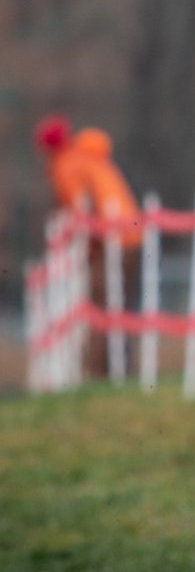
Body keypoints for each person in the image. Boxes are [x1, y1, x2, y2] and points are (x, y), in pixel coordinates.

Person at [33, 115, 142, 378]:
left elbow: (80, 209)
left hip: (112, 239)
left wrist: (87, 248)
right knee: (121, 305)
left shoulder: (66, 166)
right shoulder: (85, 157)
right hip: (130, 234)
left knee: (101, 305)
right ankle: (119, 371)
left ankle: (98, 373)